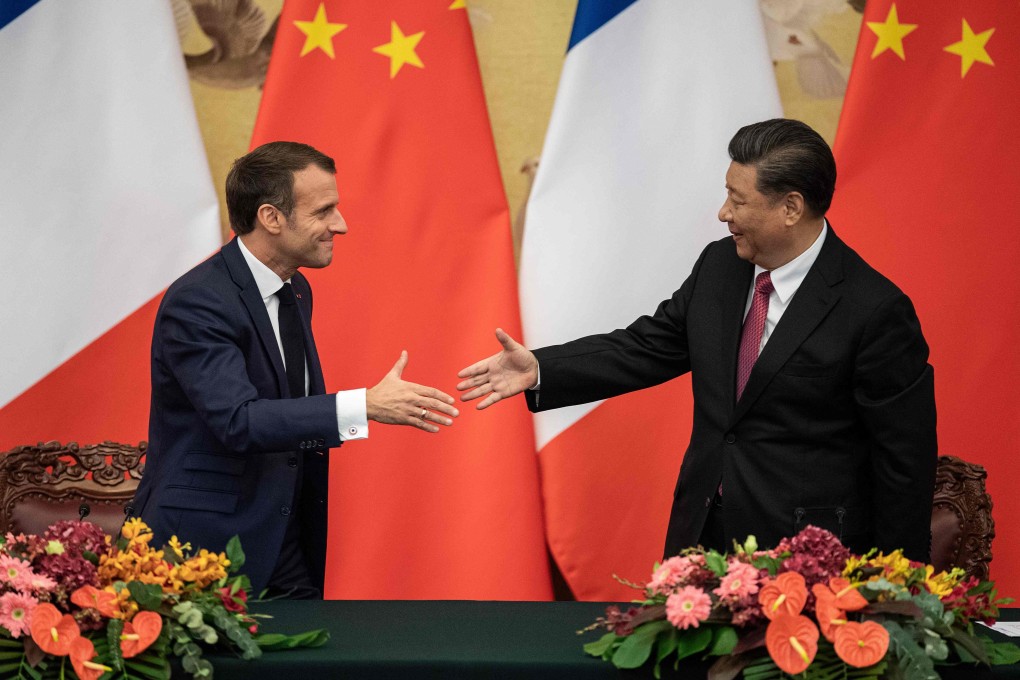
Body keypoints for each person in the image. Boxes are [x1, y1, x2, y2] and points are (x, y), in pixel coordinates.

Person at [458, 119, 937, 562]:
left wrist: (896, 590)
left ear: (790, 207)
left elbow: (904, 464)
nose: (723, 212)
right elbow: (647, 346)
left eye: (739, 199)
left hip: (805, 555)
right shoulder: (720, 267)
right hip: (701, 534)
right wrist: (541, 368)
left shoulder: (874, 310)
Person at [133, 141, 459, 599]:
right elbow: (238, 421)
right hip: (201, 548)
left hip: (283, 534)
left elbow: (287, 407)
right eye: (323, 211)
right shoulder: (199, 302)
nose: (340, 225)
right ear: (271, 217)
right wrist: (363, 405)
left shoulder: (296, 289)